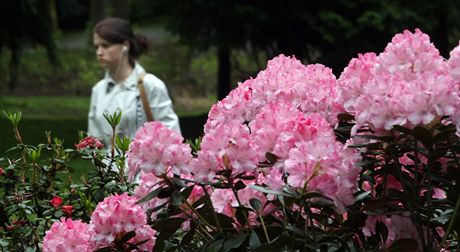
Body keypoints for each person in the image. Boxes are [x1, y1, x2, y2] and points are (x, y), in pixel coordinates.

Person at [88, 17, 181, 147]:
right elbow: (93, 142)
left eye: (105, 45)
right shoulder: (98, 90)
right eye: (96, 46)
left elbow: (172, 138)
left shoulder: (151, 85)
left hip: (145, 166)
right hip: (106, 167)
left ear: (125, 45)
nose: (99, 52)